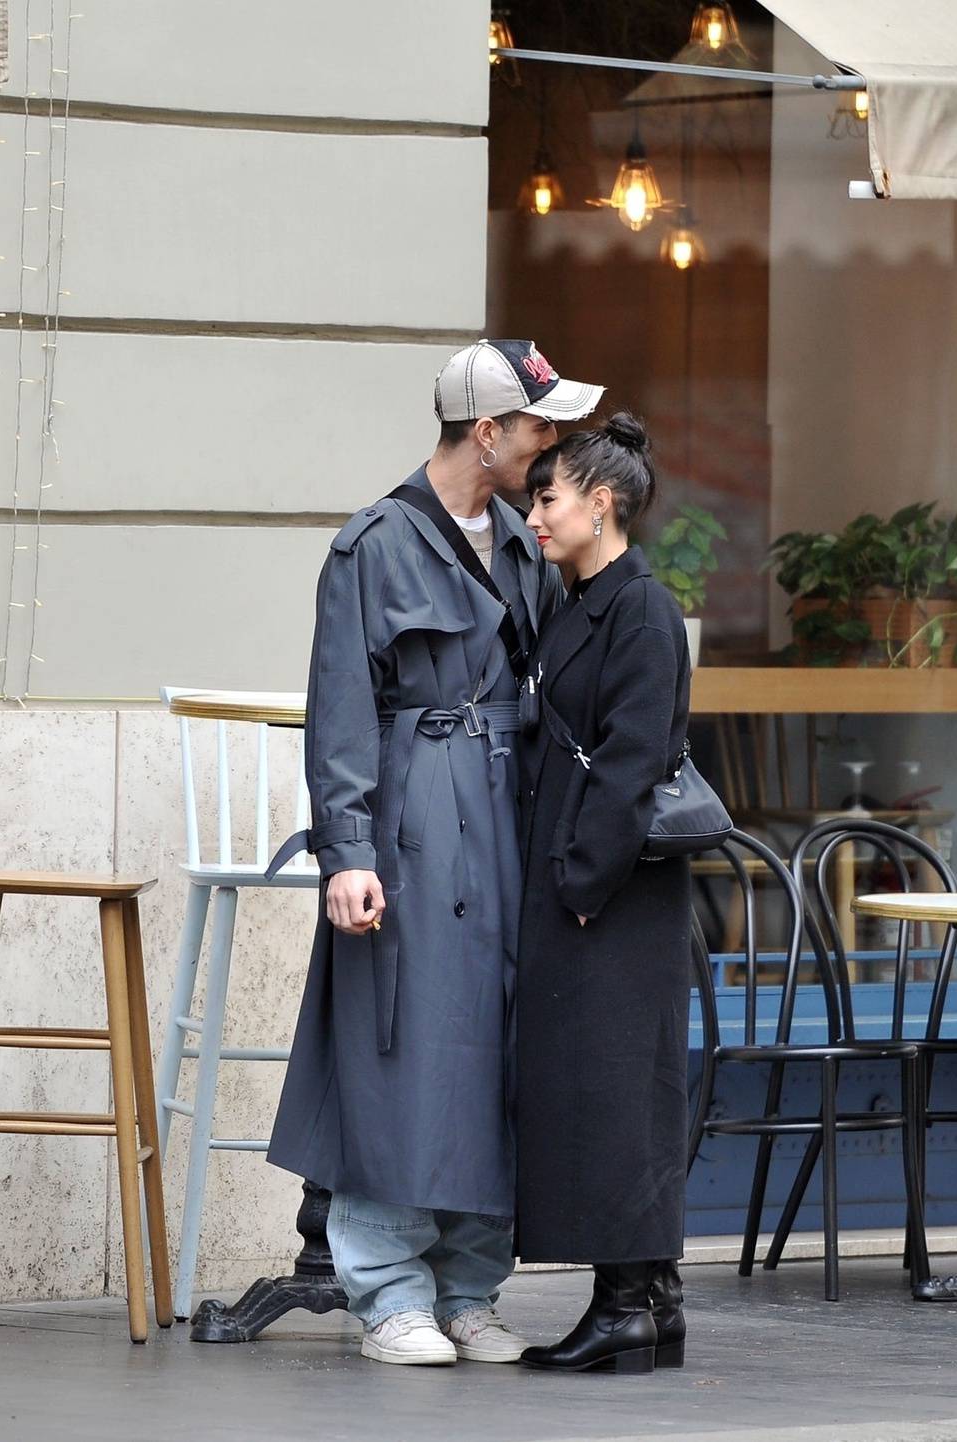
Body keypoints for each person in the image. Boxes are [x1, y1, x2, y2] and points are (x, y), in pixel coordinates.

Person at [267, 340, 601, 1366]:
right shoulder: (372, 544)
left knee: (496, 1042)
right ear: (489, 433)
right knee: (397, 1041)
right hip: (414, 816)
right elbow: (341, 710)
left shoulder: (520, 539)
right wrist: (347, 851)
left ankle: (470, 1286)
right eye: (540, 427)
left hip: (506, 812)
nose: (554, 445)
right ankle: (387, 1289)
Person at [513, 414, 695, 1374]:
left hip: (616, 896)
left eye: (548, 497)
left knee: (621, 1094)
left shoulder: (641, 608)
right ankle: (653, 1299)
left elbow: (632, 759)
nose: (533, 513)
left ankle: (627, 1302)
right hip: (581, 885)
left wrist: (583, 882)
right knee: (600, 1090)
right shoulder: (573, 599)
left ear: (602, 502)